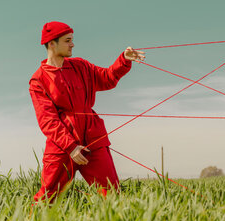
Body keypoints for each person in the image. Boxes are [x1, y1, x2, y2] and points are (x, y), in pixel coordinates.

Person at [29, 21, 145, 201]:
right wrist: (70, 146)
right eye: (67, 40)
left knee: (111, 195)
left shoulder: (80, 66)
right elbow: (48, 120)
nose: (72, 44)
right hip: (61, 146)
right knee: (48, 198)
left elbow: (107, 78)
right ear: (52, 43)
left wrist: (123, 60)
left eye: (72, 40)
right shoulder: (38, 80)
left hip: (93, 138)